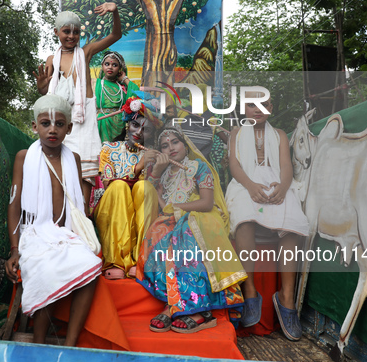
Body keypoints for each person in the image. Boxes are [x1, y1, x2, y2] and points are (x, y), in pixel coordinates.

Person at [5, 94, 102, 345]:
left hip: (65, 235)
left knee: (91, 265)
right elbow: (14, 206)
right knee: (47, 267)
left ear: (69, 128)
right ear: (35, 126)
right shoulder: (24, 157)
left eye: (59, 124)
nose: (52, 130)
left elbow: (78, 205)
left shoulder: (74, 160)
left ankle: (69, 345)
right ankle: (39, 342)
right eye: (45, 123)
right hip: (34, 234)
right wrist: (15, 249)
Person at [137, 127, 247, 334]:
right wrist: (156, 174)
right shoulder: (164, 171)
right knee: (158, 232)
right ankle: (173, 304)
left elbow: (206, 203)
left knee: (183, 234)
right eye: (164, 145)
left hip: (199, 217)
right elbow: (153, 200)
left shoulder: (199, 167)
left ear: (185, 145)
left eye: (175, 142)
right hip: (172, 219)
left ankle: (198, 310)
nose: (171, 148)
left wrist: (173, 210)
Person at [225, 99, 309, 341]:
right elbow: (234, 165)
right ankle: (249, 290)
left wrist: (283, 188)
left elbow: (285, 165)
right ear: (244, 110)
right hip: (245, 182)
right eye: (252, 105)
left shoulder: (280, 134)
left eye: (264, 105)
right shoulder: (237, 132)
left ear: (271, 109)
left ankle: (287, 296)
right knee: (243, 215)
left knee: (293, 218)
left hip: (276, 181)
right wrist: (250, 186)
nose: (258, 110)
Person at [33, 4, 122, 210]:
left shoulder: (86, 52)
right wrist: (40, 86)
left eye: (76, 32)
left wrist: (114, 11)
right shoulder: (51, 59)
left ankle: (83, 220)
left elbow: (116, 34)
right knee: (60, 172)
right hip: (61, 121)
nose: (72, 36)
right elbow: (45, 91)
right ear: (56, 32)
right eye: (66, 31)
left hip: (83, 119)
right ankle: (62, 219)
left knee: (85, 175)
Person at [93, 97, 160, 279]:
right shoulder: (109, 148)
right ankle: (116, 261)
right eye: (136, 125)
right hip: (111, 208)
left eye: (146, 130)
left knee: (144, 187)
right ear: (127, 125)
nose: (139, 132)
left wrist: (155, 168)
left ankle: (142, 260)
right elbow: (108, 184)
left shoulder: (152, 157)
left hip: (137, 211)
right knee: (119, 187)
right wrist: (138, 167)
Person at [95, 51, 140, 142]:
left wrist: (125, 79)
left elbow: (135, 96)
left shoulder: (122, 87)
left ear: (120, 68)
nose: (110, 67)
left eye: (114, 65)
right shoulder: (96, 84)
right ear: (102, 66)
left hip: (119, 125)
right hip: (102, 123)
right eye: (107, 64)